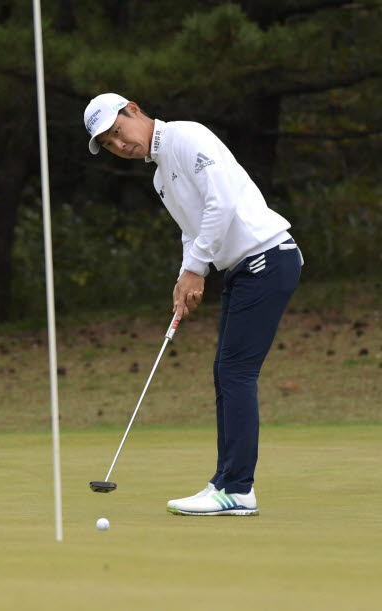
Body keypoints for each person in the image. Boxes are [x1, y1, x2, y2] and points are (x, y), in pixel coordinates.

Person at [83, 93, 302, 516]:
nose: (119, 144)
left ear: (134, 110)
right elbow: (193, 229)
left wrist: (198, 268)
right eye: (108, 143)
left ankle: (237, 489)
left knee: (235, 372)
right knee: (225, 372)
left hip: (267, 257)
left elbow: (222, 203)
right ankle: (224, 482)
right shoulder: (160, 178)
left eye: (117, 131)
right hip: (243, 268)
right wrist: (186, 277)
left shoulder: (185, 136)